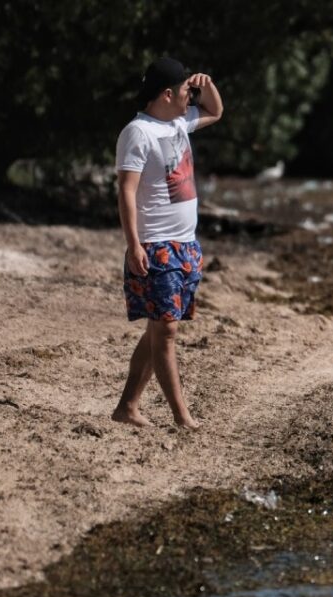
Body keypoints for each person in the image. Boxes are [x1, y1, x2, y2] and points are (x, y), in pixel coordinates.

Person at [111, 57, 223, 429]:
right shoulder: (138, 133)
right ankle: (181, 416)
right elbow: (126, 191)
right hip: (157, 245)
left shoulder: (178, 121)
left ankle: (127, 407)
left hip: (186, 244)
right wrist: (135, 244)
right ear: (166, 93)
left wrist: (205, 84)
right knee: (167, 331)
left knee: (159, 328)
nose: (192, 98)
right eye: (187, 92)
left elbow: (216, 111)